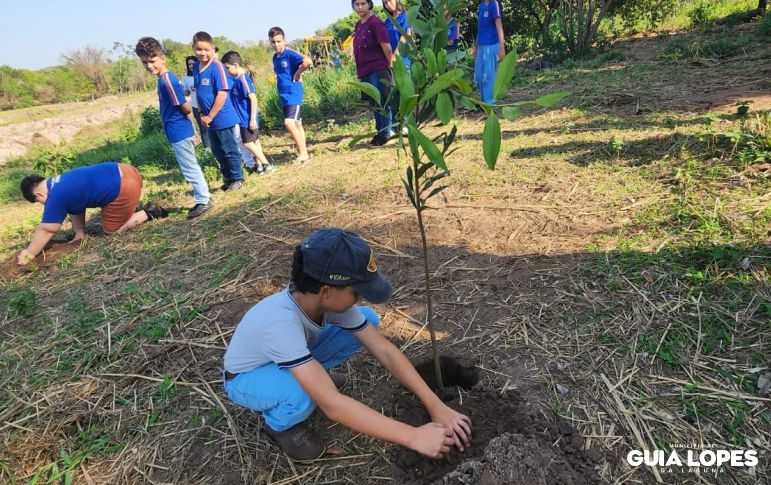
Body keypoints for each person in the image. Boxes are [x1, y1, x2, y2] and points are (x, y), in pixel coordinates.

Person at [222, 228, 472, 462]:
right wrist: (414, 436)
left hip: (285, 356)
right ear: (327, 291)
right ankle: (279, 426)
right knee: (303, 392)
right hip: (244, 379)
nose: (359, 299)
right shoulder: (280, 323)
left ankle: (310, 377)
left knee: (369, 320)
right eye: (356, 292)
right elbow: (333, 406)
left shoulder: (322, 302)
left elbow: (384, 351)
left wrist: (435, 404)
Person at [16, 162, 166, 266]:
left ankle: (149, 212)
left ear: (38, 195)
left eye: (39, 202)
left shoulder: (54, 196)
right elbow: (75, 206)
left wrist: (30, 252)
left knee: (112, 231)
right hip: (127, 170)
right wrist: (79, 233)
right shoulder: (60, 181)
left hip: (125, 186)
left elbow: (48, 228)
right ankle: (132, 208)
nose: (43, 205)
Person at [135, 37, 213, 219]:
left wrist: (193, 128)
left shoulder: (167, 80)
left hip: (179, 131)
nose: (149, 65)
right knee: (189, 166)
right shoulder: (163, 79)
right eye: (145, 62)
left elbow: (185, 107)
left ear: (163, 58)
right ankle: (203, 197)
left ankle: (204, 199)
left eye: (152, 61)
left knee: (189, 167)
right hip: (176, 131)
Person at [192, 31, 245, 192]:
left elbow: (222, 93)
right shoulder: (196, 67)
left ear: (213, 49)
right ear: (194, 48)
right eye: (199, 49)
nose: (203, 53)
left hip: (222, 117)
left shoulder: (217, 67)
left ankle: (237, 178)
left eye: (206, 49)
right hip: (207, 119)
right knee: (217, 151)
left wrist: (210, 115)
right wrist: (202, 113)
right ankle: (228, 178)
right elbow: (199, 91)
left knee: (229, 149)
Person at [222, 51, 275, 175]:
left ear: (235, 65)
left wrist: (252, 119)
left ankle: (267, 164)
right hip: (243, 118)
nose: (227, 71)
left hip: (247, 118)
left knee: (247, 143)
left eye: (228, 68)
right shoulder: (238, 79)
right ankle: (260, 166)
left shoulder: (243, 79)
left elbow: (253, 98)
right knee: (255, 142)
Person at [352, 0, 394, 146]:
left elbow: (387, 47)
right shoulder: (358, 25)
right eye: (356, 4)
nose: (360, 7)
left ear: (369, 4)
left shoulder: (375, 23)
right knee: (373, 103)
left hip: (378, 68)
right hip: (365, 70)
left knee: (382, 101)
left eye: (363, 3)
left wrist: (389, 66)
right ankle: (380, 131)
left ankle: (385, 134)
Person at [268, 27, 313, 164]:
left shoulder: (289, 53)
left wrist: (298, 73)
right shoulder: (275, 57)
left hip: (294, 93)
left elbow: (308, 61)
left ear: (284, 40)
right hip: (284, 94)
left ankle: (304, 154)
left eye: (279, 41)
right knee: (298, 123)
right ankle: (303, 152)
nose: (276, 45)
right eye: (273, 42)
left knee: (289, 122)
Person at [471, 0, 505, 105]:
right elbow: (480, 28)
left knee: (489, 75)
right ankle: (484, 102)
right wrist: (475, 46)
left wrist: (502, 47)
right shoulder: (481, 5)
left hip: (491, 45)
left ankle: (490, 104)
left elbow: (499, 27)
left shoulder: (494, 4)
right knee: (479, 75)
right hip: (481, 45)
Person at [183, 55, 210, 149]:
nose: (191, 66)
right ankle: (207, 149)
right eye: (189, 64)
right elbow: (186, 93)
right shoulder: (186, 78)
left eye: (192, 63)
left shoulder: (203, 74)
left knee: (212, 126)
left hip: (207, 105)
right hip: (196, 106)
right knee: (203, 129)